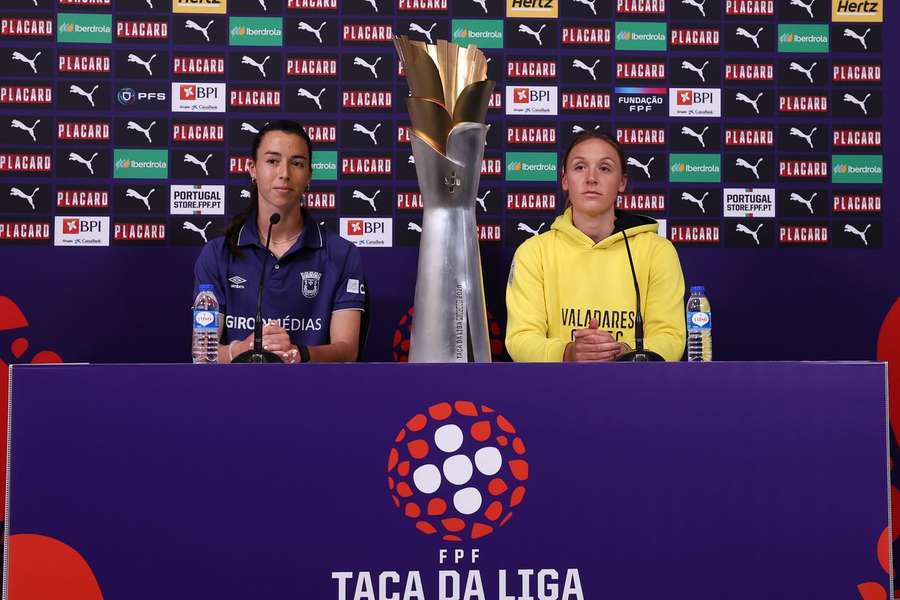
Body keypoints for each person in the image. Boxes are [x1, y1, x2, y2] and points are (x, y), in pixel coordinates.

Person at [193, 120, 366, 363]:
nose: (284, 173)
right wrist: (242, 349)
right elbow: (202, 355)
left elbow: (347, 350)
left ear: (309, 175)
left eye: (297, 163)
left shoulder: (342, 253)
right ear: (252, 168)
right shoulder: (216, 254)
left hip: (316, 394)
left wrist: (298, 354)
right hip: (235, 394)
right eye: (273, 161)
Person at [505, 131, 685, 362]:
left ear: (622, 182)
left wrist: (625, 352)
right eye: (580, 167)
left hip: (635, 390)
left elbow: (671, 337)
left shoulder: (657, 251)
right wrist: (568, 353)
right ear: (565, 180)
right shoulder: (533, 253)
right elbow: (521, 339)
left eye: (605, 168)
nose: (591, 178)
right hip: (557, 391)